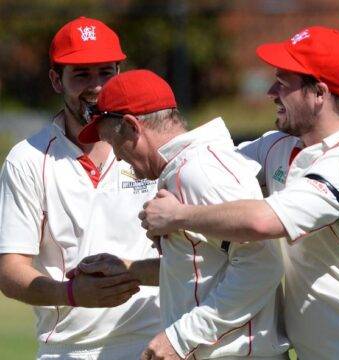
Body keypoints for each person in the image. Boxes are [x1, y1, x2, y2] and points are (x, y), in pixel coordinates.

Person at [138, 26, 339, 359]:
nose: (270, 91)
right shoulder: (281, 145)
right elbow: (213, 167)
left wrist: (178, 216)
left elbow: (262, 222)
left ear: (318, 93)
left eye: (283, 81)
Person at [76, 69, 289, 360]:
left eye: (114, 143)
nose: (117, 156)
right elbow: (209, 267)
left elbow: (262, 265)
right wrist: (130, 270)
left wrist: (180, 338)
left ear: (132, 126)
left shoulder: (198, 172)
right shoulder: (186, 169)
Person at [0, 17, 161, 360]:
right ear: (56, 80)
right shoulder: (27, 159)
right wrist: (71, 293)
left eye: (106, 72)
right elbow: (10, 270)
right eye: (82, 75)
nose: (97, 86)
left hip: (157, 342)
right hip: (69, 350)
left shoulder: (154, 145)